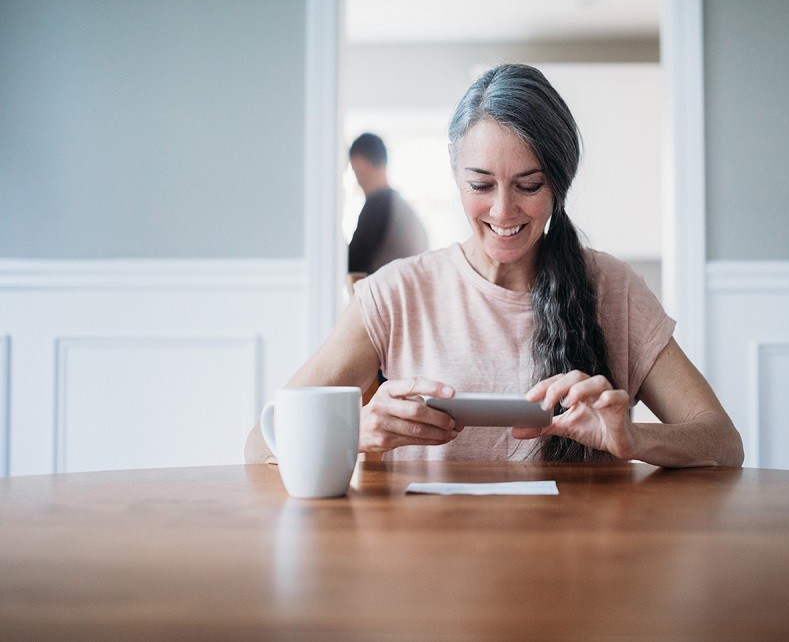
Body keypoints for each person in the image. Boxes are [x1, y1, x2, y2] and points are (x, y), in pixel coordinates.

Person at [246, 64, 743, 467]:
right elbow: (260, 444)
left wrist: (632, 440)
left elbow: (723, 442)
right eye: (481, 185)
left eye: (528, 186)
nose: (503, 211)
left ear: (559, 184)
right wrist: (353, 433)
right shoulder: (395, 295)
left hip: (582, 573)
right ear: (455, 175)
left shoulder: (611, 289)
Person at [347, 132, 428, 275]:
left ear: (360, 164)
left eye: (353, 169)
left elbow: (353, 263)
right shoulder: (399, 206)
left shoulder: (377, 205)